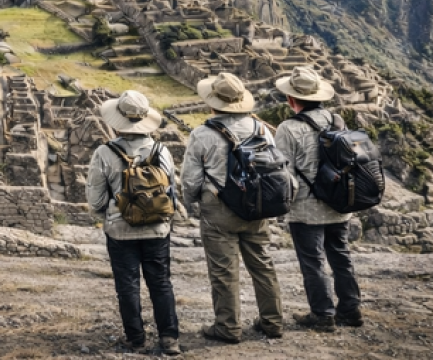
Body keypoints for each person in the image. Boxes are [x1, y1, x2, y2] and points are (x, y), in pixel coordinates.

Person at [181, 72, 285, 343]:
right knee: (262, 264)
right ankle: (273, 322)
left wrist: (191, 202)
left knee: (223, 270)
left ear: (212, 102)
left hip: (218, 208)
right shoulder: (261, 128)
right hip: (256, 206)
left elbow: (191, 179)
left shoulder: (202, 134)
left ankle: (228, 327)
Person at [87, 90, 181, 356]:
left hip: (120, 230)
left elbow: (95, 198)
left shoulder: (105, 153)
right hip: (157, 228)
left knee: (127, 285)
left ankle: (136, 339)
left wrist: (107, 215)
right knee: (161, 282)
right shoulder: (161, 151)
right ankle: (169, 337)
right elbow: (171, 187)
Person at [274, 66, 363, 331]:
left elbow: (284, 174)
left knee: (313, 262)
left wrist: (281, 207)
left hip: (305, 209)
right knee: (340, 256)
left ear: (291, 99)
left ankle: (323, 314)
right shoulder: (337, 121)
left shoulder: (287, 128)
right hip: (339, 202)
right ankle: (351, 310)